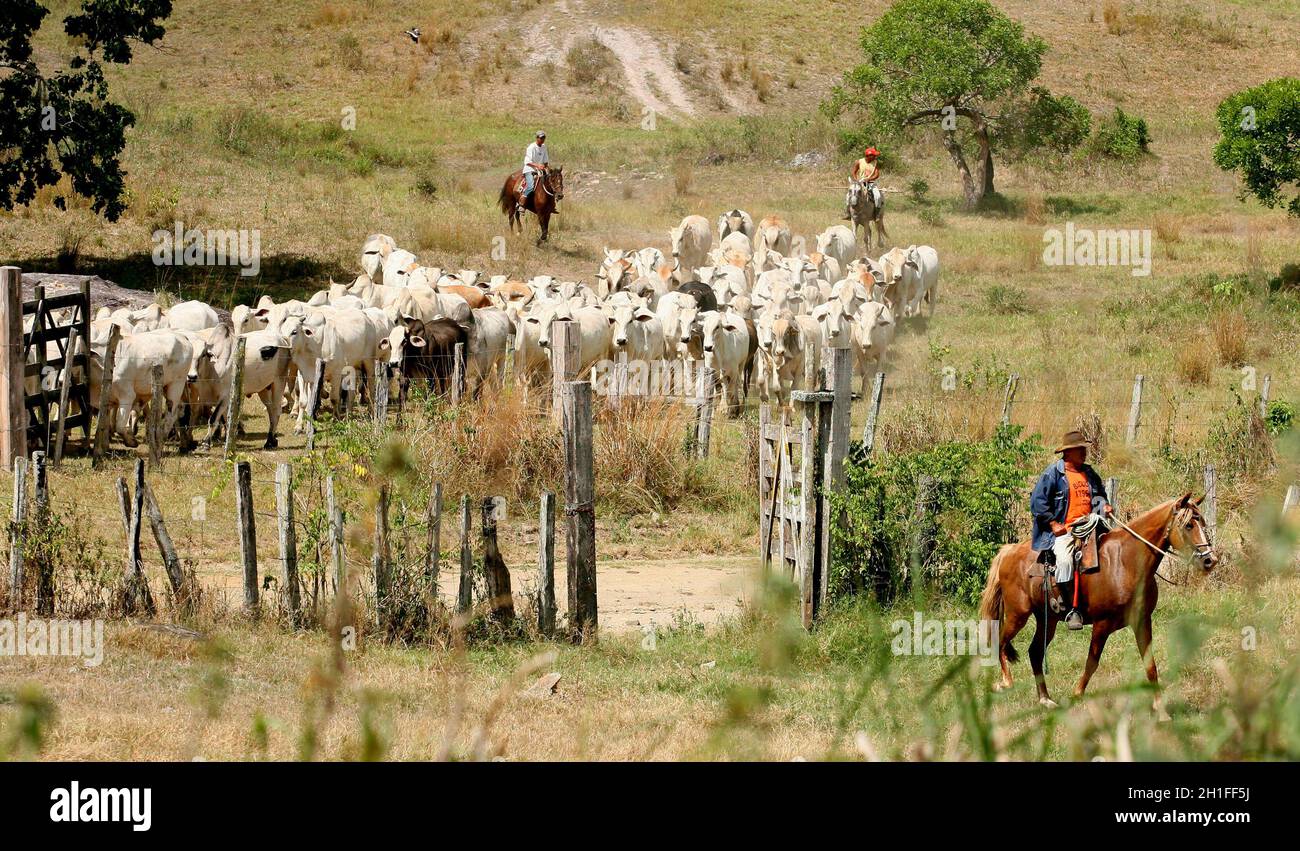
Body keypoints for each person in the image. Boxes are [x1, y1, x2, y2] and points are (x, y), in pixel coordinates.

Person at [1029, 430, 1113, 630]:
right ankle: (1069, 608)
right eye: (1080, 449)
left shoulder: (1089, 473)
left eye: (1084, 449)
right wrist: (1053, 524)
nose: (1084, 453)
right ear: (1068, 452)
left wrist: (1104, 506)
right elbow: (1037, 502)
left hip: (1091, 524)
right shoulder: (1053, 474)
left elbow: (1099, 496)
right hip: (1066, 530)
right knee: (1066, 561)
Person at [843, 147, 883, 220]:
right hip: (860, 183)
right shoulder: (859, 162)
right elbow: (854, 172)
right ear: (868, 156)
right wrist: (856, 180)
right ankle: (848, 212)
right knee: (848, 195)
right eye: (873, 155)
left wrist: (869, 179)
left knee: (877, 196)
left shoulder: (875, 162)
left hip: (871, 183)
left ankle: (877, 214)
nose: (875, 156)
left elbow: (877, 174)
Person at [519, 130, 549, 214]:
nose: (542, 139)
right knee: (531, 186)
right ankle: (522, 204)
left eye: (543, 138)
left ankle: (550, 204)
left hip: (540, 170)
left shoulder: (544, 147)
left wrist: (547, 168)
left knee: (550, 183)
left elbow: (546, 161)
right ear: (537, 138)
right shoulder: (531, 147)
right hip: (530, 169)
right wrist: (537, 165)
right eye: (540, 138)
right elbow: (527, 161)